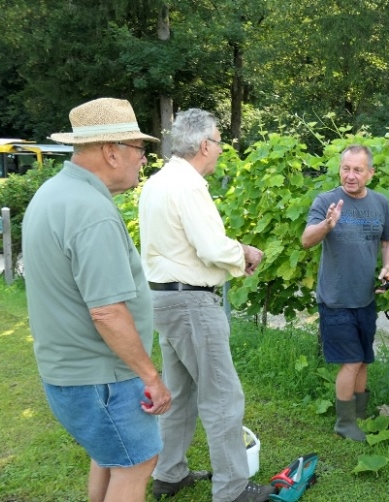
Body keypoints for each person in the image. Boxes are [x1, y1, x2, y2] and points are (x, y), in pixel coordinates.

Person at [23, 97, 170, 502]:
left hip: (72, 374)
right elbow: (106, 311)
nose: (143, 160)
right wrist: (150, 377)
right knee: (138, 462)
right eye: (139, 151)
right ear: (111, 152)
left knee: (112, 457)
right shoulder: (92, 212)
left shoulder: (53, 193)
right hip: (102, 377)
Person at [138, 108, 273, 502]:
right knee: (221, 396)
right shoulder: (190, 187)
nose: (219, 151)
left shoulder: (159, 182)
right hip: (191, 304)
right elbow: (211, 247)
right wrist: (244, 251)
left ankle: (169, 473)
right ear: (203, 145)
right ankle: (232, 489)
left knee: (179, 392)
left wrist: (230, 258)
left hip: (164, 300)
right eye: (218, 142)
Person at [301, 144, 389, 442]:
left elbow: (388, 243)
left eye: (358, 169)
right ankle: (344, 423)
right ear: (339, 168)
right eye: (346, 168)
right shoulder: (326, 201)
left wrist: (387, 268)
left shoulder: (380, 203)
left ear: (370, 173)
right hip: (335, 299)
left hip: (365, 298)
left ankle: (361, 413)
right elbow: (306, 240)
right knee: (352, 361)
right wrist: (328, 224)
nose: (351, 175)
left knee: (364, 359)